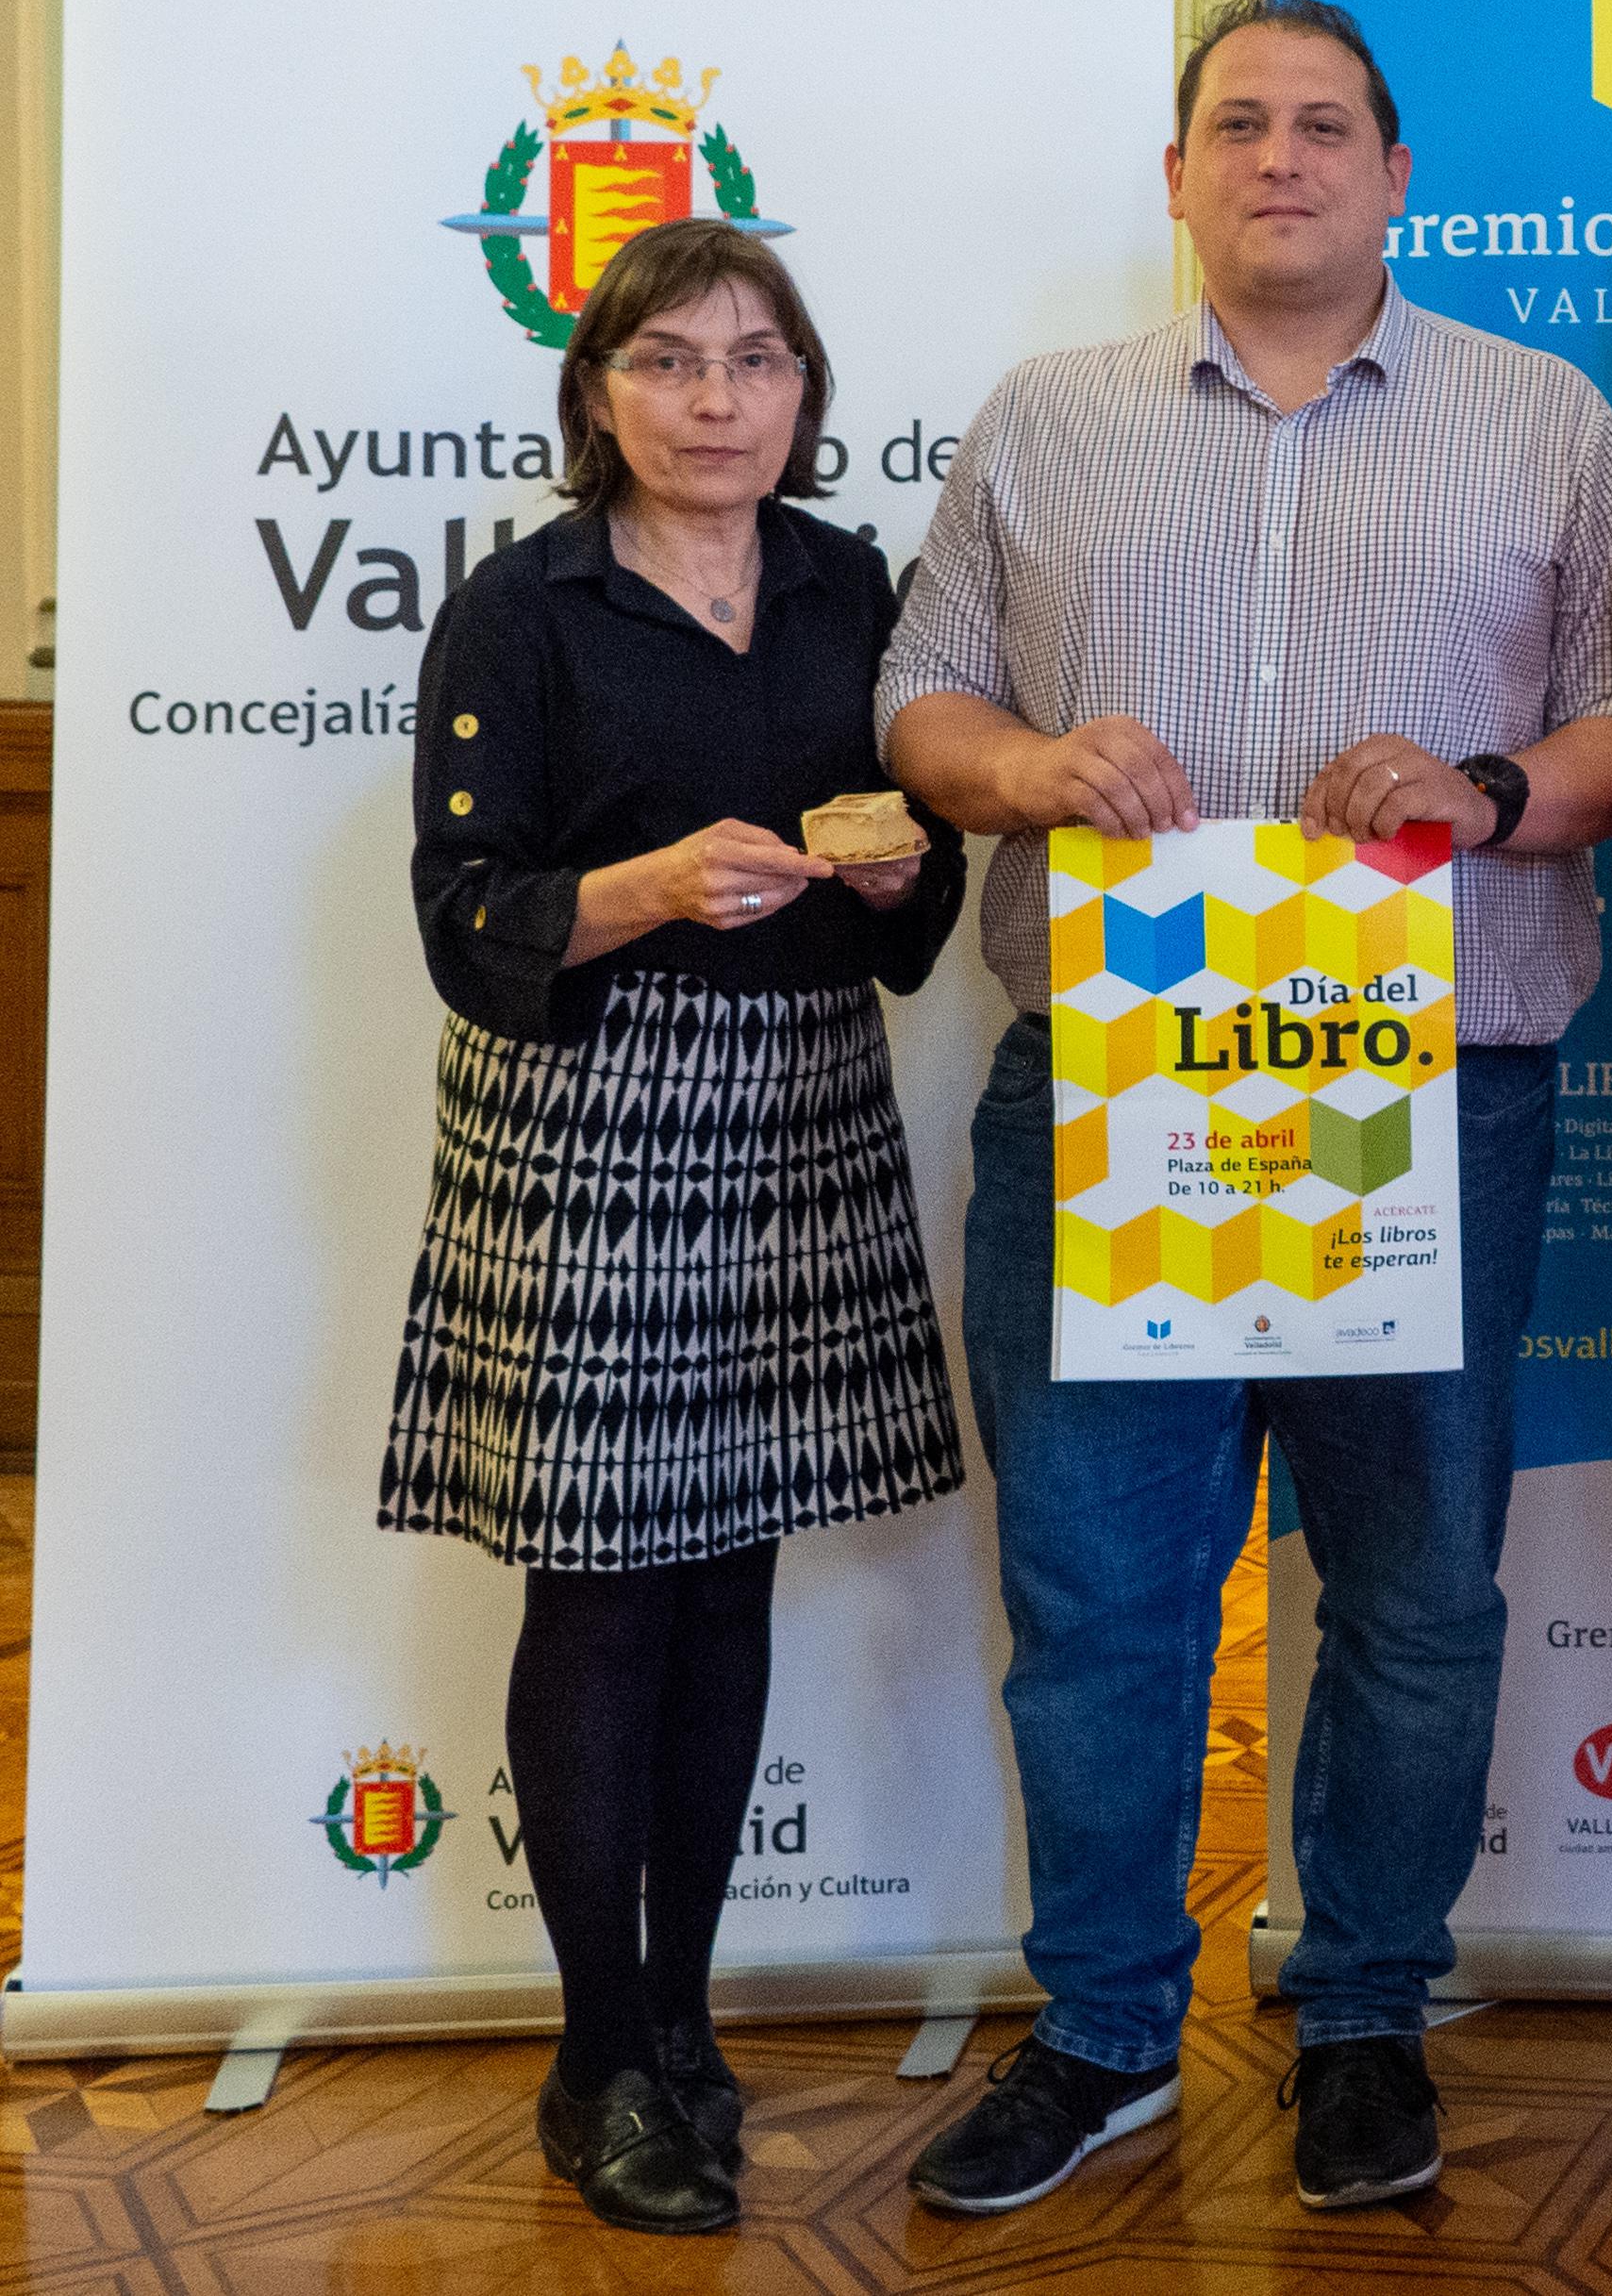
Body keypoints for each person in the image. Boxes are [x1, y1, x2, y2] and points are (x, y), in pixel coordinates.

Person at [876, 0, 1612, 2220]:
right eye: (1238, 124)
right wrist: (1031, 767)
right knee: (1103, 1590)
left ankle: (1367, 2008)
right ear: (1177, 174)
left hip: (1429, 1098)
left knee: (1414, 1585)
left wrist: (1485, 789)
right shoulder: (1051, 418)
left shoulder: (1545, 419)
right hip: (1116, 1095)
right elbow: (918, 694)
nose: (1280, 158)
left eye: (1325, 127)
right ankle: (1106, 2025)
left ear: (1397, 175)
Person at [382, 219, 971, 2236]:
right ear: (597, 390)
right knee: (602, 1590)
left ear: (806, 392)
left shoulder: (852, 588)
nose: (716, 398)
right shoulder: (520, 609)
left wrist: (891, 882)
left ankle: (688, 2019)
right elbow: (463, 915)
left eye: (755, 359)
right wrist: (641, 888)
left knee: (731, 1575)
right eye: (668, 360)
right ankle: (596, 2049)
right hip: (587, 1120)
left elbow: (923, 887)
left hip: (804, 1103)